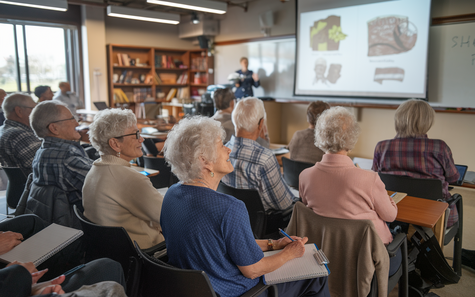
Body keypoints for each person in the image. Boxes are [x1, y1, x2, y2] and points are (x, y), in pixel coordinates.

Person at [161, 116, 330, 297]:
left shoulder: (172, 195)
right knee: (318, 275)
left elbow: (229, 246)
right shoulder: (229, 208)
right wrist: (290, 253)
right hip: (237, 292)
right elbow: (253, 270)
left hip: (191, 290)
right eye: (221, 145)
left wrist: (275, 244)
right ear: (204, 160)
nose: (229, 149)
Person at [299, 106, 400, 275]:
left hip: (322, 256)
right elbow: (390, 216)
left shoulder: (305, 176)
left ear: (320, 135)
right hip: (365, 262)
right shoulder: (370, 179)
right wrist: (390, 200)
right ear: (351, 138)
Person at [83, 108, 165, 249]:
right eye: (136, 134)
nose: (142, 139)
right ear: (115, 144)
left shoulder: (94, 170)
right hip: (147, 254)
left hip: (111, 251)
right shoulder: (131, 179)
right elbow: (168, 216)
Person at [372, 99, 459, 228]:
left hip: (393, 212)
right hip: (434, 216)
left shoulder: (382, 147)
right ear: (427, 122)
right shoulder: (440, 147)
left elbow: (376, 177)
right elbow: (454, 179)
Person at [222, 97, 298, 215]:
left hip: (231, 220)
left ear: (234, 120)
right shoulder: (265, 158)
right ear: (261, 123)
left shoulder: (222, 151)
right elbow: (284, 204)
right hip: (264, 226)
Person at [29, 101, 93, 205]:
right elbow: (105, 185)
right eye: (72, 119)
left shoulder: (42, 151)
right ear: (54, 128)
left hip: (55, 217)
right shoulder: (67, 157)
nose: (77, 123)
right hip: (78, 218)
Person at [0, 93, 42, 176]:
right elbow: (45, 167)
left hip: (16, 186)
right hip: (30, 186)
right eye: (34, 109)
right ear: (19, 111)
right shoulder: (19, 135)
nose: (38, 113)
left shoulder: (3, 129)